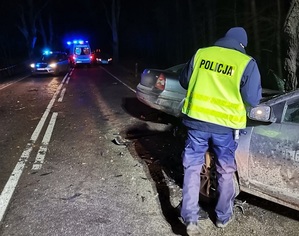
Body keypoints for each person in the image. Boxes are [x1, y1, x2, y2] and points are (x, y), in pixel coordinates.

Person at [179, 27, 262, 235]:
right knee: (225, 170)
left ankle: (190, 217)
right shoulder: (246, 63)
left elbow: (184, 81)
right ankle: (223, 217)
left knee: (192, 167)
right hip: (224, 127)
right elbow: (253, 99)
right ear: (242, 44)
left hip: (196, 123)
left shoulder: (201, 53)